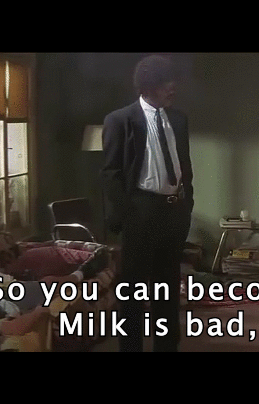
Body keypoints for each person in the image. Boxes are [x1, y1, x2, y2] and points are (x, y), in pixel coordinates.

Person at [101, 55, 194, 352]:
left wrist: (187, 206)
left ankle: (167, 347)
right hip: (140, 212)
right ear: (148, 86)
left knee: (167, 289)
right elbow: (111, 174)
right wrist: (128, 216)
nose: (173, 87)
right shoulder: (119, 120)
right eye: (166, 82)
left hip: (173, 211)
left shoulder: (178, 119)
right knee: (132, 291)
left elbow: (185, 166)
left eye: (173, 81)